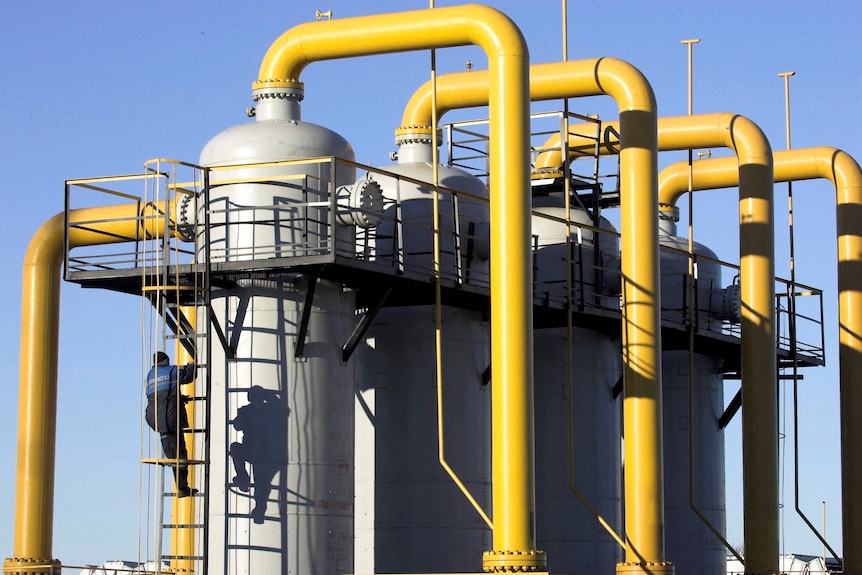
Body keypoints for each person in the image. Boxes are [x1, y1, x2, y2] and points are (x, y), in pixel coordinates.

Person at [145, 351, 198, 497]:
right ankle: (182, 488)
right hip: (171, 421)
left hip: (157, 422)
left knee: (172, 455)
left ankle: (181, 487)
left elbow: (162, 396)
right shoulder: (171, 371)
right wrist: (192, 366)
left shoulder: (150, 375)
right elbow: (188, 376)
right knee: (180, 456)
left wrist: (178, 398)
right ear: (166, 361)